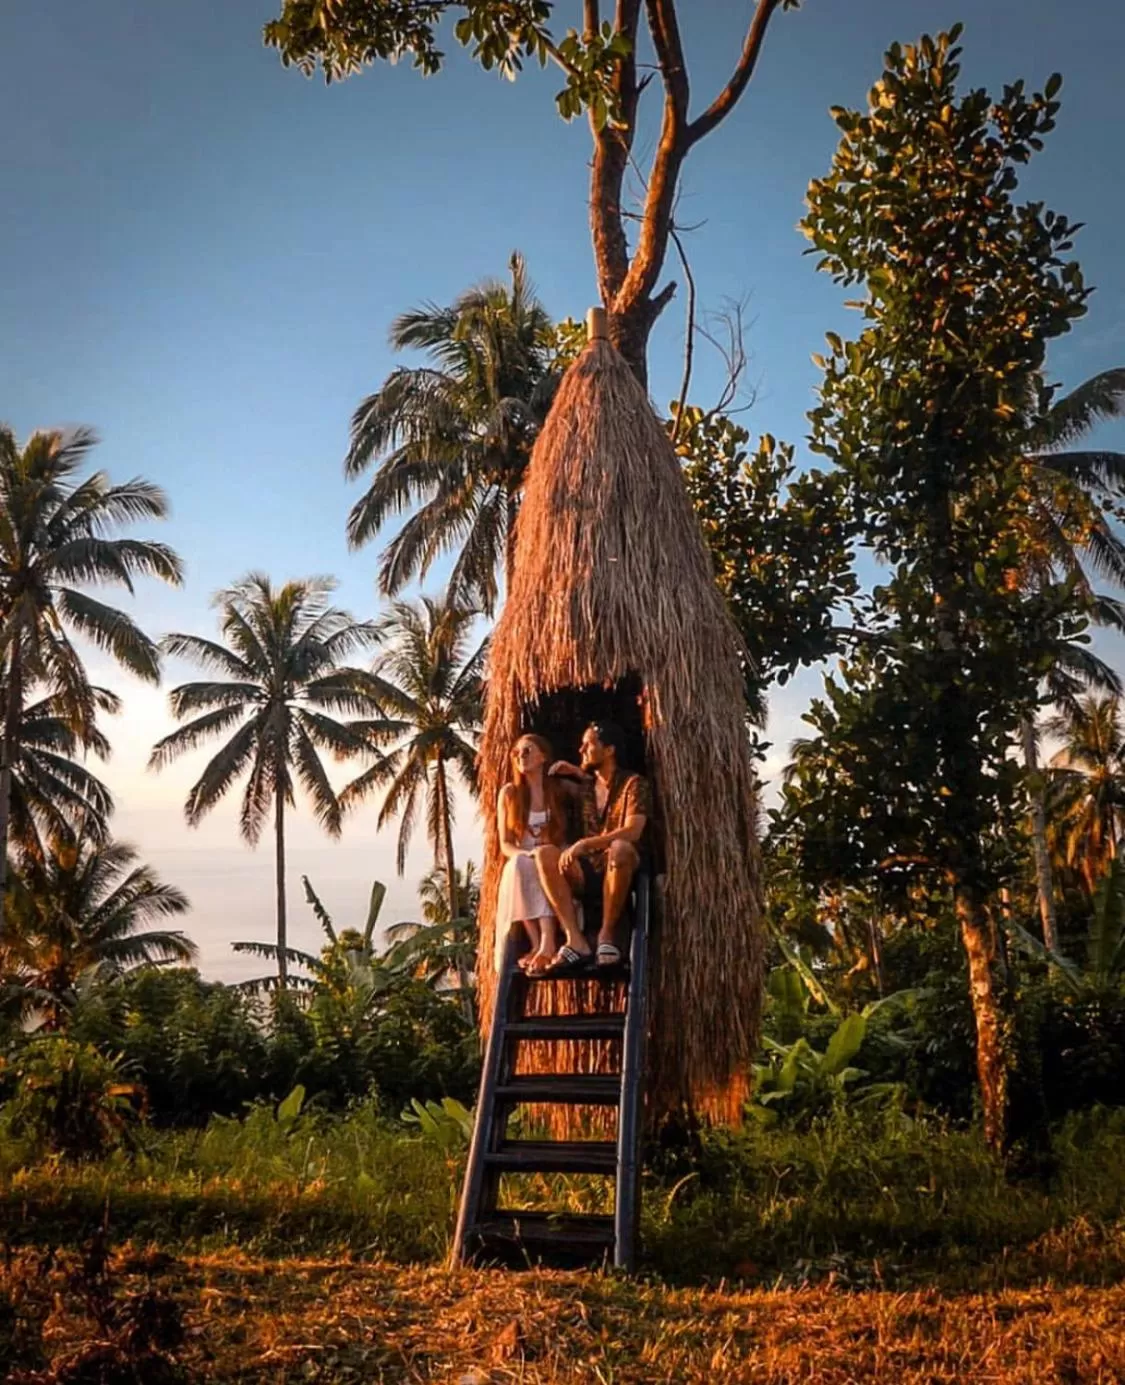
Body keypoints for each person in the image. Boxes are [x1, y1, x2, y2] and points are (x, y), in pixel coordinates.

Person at [534, 720, 649, 975]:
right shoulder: (585, 788)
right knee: (545, 854)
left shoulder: (634, 784)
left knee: (620, 847)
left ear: (609, 750)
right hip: (588, 871)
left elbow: (634, 830)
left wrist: (585, 844)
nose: (581, 749)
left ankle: (606, 934)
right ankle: (574, 938)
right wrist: (573, 771)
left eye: (588, 745)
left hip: (620, 868)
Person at [494, 734, 571, 974]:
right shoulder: (509, 793)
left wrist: (577, 772)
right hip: (523, 856)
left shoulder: (559, 789)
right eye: (516, 753)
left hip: (553, 855)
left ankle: (548, 941)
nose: (520, 756)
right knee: (520, 865)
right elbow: (505, 843)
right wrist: (525, 854)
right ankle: (538, 942)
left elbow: (597, 792)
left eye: (527, 751)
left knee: (541, 862)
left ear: (543, 757)